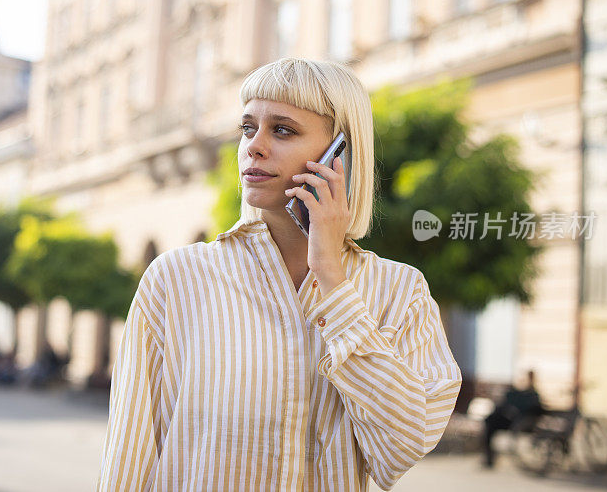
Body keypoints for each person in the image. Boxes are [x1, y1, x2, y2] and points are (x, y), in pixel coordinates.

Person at [97, 58, 462, 491]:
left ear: (339, 153)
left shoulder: (400, 293)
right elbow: (130, 455)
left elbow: (399, 448)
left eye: (283, 130)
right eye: (248, 128)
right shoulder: (177, 279)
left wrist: (331, 278)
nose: (254, 146)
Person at [482, 369, 544, 468]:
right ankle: (490, 457)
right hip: (509, 419)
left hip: (519, 421)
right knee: (490, 422)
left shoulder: (532, 395)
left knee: (492, 422)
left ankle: (490, 457)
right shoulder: (514, 392)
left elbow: (534, 410)